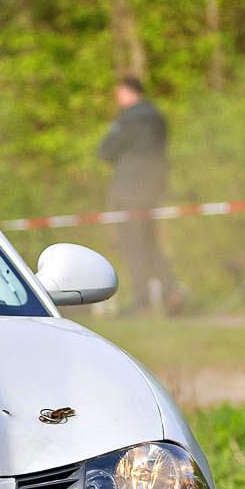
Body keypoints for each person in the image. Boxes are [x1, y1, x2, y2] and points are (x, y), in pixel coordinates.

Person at [97, 76, 181, 315]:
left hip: (129, 190)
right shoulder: (158, 117)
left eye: (118, 93)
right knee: (150, 243)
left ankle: (142, 302)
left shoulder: (127, 119)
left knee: (132, 245)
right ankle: (171, 292)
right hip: (153, 189)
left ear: (127, 92)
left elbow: (105, 152)